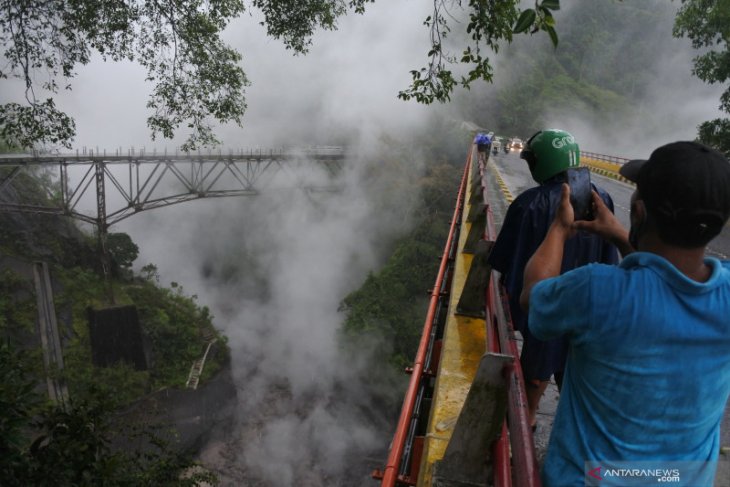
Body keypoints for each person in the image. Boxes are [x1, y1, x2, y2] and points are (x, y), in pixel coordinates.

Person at [520, 141, 730, 486]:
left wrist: (559, 229)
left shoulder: (596, 290)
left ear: (640, 212)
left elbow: (534, 297)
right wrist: (620, 236)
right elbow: (670, 283)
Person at [487, 129, 618, 430]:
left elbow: (503, 259)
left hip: (543, 305)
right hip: (589, 307)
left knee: (536, 371)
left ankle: (524, 431)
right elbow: (611, 254)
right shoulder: (602, 198)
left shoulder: (529, 203)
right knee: (576, 375)